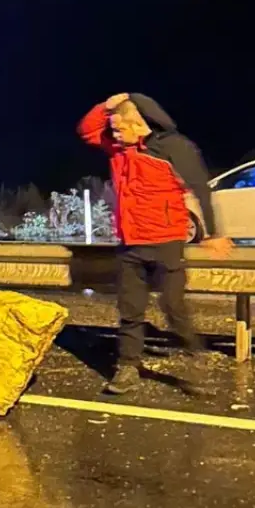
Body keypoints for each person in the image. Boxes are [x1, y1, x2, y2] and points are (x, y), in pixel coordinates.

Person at [78, 92, 233, 394]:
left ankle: (196, 357)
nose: (113, 134)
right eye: (112, 129)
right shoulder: (118, 148)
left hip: (166, 242)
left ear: (137, 124)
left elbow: (201, 189)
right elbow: (86, 131)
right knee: (130, 311)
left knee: (173, 307)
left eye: (119, 128)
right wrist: (107, 106)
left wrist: (214, 233)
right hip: (130, 244)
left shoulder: (173, 147)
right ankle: (127, 367)